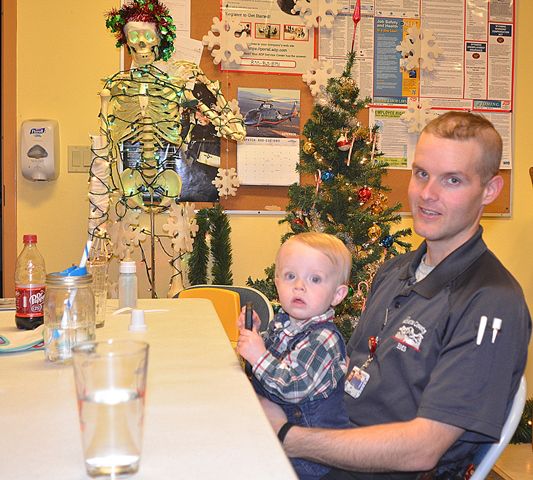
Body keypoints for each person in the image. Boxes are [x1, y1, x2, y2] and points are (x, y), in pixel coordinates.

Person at [259, 111, 532, 479]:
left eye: (452, 180)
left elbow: (422, 450)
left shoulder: (491, 302)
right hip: (332, 444)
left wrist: (284, 435)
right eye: (421, 174)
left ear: (489, 191)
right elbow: (348, 373)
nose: (427, 194)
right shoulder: (396, 270)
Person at [237, 232, 353, 479]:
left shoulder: (324, 339)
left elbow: (291, 387)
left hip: (309, 463)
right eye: (290, 276)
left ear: (337, 294)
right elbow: (268, 367)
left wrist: (258, 356)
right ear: (277, 281)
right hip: (273, 441)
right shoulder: (284, 323)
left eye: (315, 279)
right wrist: (255, 335)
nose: (299, 286)